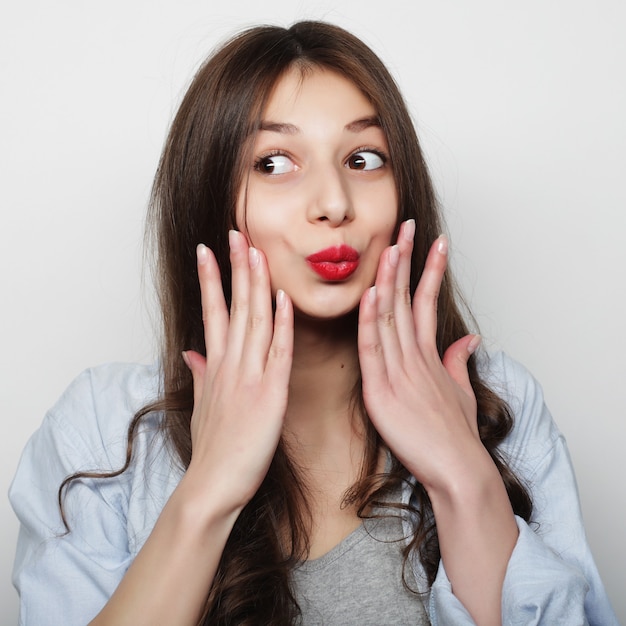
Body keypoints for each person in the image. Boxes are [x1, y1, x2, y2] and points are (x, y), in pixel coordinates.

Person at [9, 21, 617, 626]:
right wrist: (210, 488)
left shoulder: (500, 401)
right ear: (209, 194)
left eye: (363, 158)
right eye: (273, 162)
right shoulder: (101, 428)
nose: (334, 202)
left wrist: (464, 476)